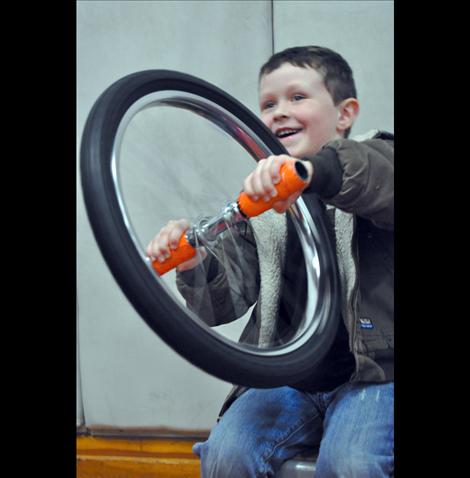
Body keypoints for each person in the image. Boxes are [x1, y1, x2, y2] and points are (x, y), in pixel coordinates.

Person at [147, 46, 394, 477]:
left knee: (350, 463)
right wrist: (192, 263)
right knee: (226, 454)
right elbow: (220, 304)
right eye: (268, 104)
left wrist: (312, 173)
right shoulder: (258, 207)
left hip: (375, 377)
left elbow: (372, 176)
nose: (280, 111)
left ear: (344, 114)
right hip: (291, 380)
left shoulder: (375, 160)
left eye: (298, 97)